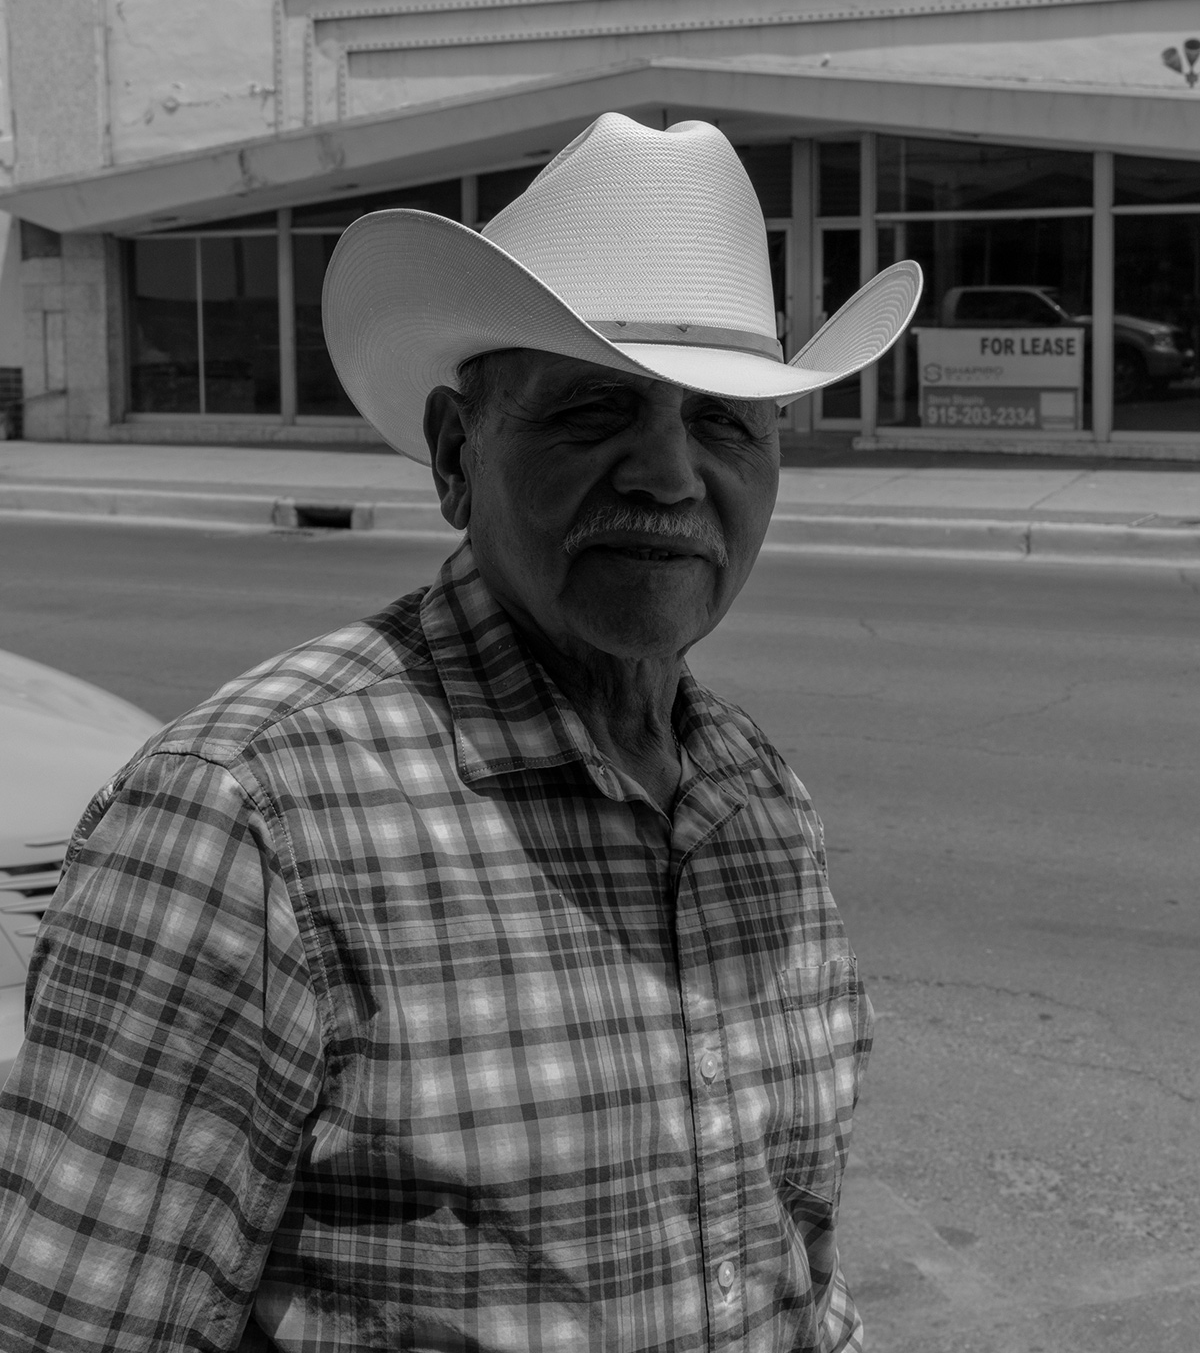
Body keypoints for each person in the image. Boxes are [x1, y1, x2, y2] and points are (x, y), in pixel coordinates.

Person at [0, 113, 920, 1352]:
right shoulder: (248, 820)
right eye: (595, 411)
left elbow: (795, 1261)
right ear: (453, 456)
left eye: (722, 421)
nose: (666, 475)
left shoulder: (754, 799)